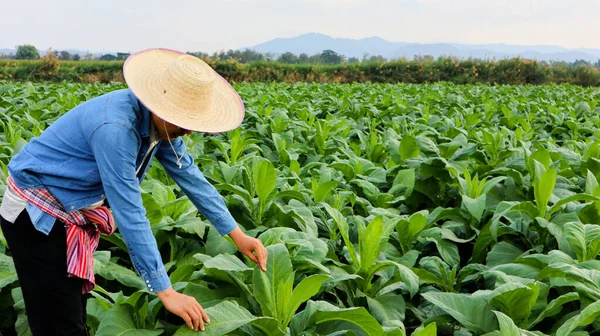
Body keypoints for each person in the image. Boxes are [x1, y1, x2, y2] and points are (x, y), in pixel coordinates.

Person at [0, 48, 268, 335]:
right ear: (159, 105)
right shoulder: (115, 128)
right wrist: (165, 291)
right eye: (183, 120)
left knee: (70, 314)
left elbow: (190, 176)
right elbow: (129, 211)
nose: (188, 132)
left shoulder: (161, 125)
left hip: (69, 211)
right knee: (58, 324)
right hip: (36, 215)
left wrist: (237, 235)